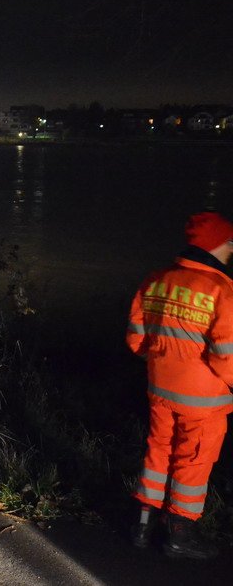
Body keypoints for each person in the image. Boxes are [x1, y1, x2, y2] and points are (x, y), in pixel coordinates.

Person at [127, 211, 233, 560]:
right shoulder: (221, 289)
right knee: (194, 461)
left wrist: (160, 361)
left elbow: (136, 336)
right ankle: (180, 535)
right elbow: (226, 354)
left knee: (158, 451)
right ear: (217, 245)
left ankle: (142, 525)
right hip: (203, 399)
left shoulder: (158, 279)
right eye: (229, 243)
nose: (232, 249)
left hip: (160, 388)